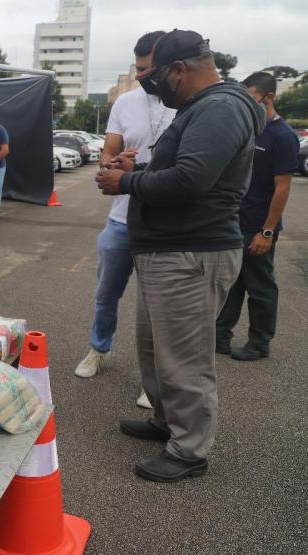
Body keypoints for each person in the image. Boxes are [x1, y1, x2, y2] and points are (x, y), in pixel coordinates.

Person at [96, 30, 263, 482]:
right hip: (169, 251)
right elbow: (181, 169)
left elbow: (190, 180)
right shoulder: (201, 107)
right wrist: (138, 168)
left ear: (178, 70)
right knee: (155, 349)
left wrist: (126, 183)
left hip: (192, 252)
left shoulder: (220, 107)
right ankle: (166, 421)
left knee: (184, 358)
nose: (153, 87)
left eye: (154, 77)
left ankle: (189, 450)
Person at [74, 31, 176, 413]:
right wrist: (111, 163)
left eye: (148, 69)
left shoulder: (187, 104)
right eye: (138, 69)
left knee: (156, 306)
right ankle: (99, 350)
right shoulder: (126, 102)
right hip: (120, 220)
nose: (142, 75)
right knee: (106, 294)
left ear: (168, 66)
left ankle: (156, 378)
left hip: (163, 224)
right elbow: (109, 152)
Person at [216, 72, 300, 361]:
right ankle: (220, 336)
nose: (245, 103)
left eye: (250, 97)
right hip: (234, 221)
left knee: (260, 286)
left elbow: (282, 188)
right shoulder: (247, 129)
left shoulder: (282, 136)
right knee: (230, 283)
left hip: (258, 226)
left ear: (269, 97)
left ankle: (259, 342)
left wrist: (267, 231)